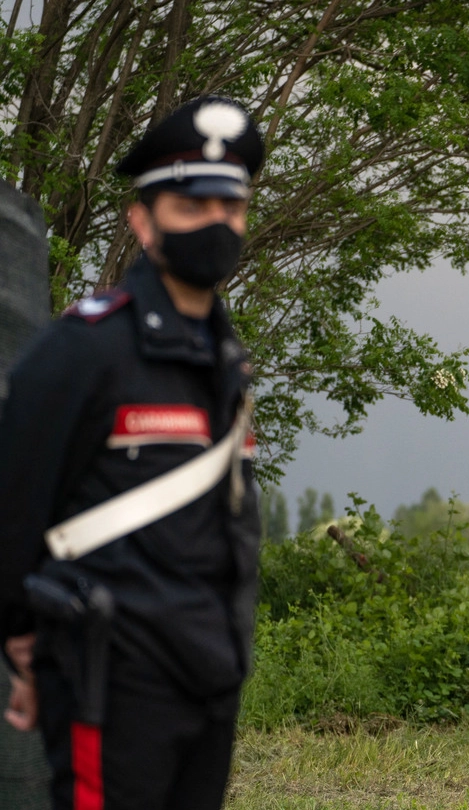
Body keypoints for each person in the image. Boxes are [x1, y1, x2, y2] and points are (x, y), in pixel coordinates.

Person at [0, 96, 265, 809]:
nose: (216, 225)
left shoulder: (223, 357)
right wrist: (23, 642)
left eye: (231, 208)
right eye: (191, 206)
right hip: (112, 676)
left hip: (210, 670)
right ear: (142, 221)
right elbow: (15, 501)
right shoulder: (85, 348)